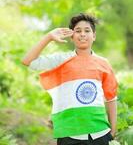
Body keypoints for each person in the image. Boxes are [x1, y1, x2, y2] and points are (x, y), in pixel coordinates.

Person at [22, 13, 118, 145]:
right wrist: (49, 37)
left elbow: (111, 98)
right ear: (72, 37)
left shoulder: (104, 63)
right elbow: (28, 61)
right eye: (78, 31)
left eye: (87, 30)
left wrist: (112, 131)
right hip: (69, 135)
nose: (82, 34)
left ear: (94, 36)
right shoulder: (61, 60)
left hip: (100, 134)